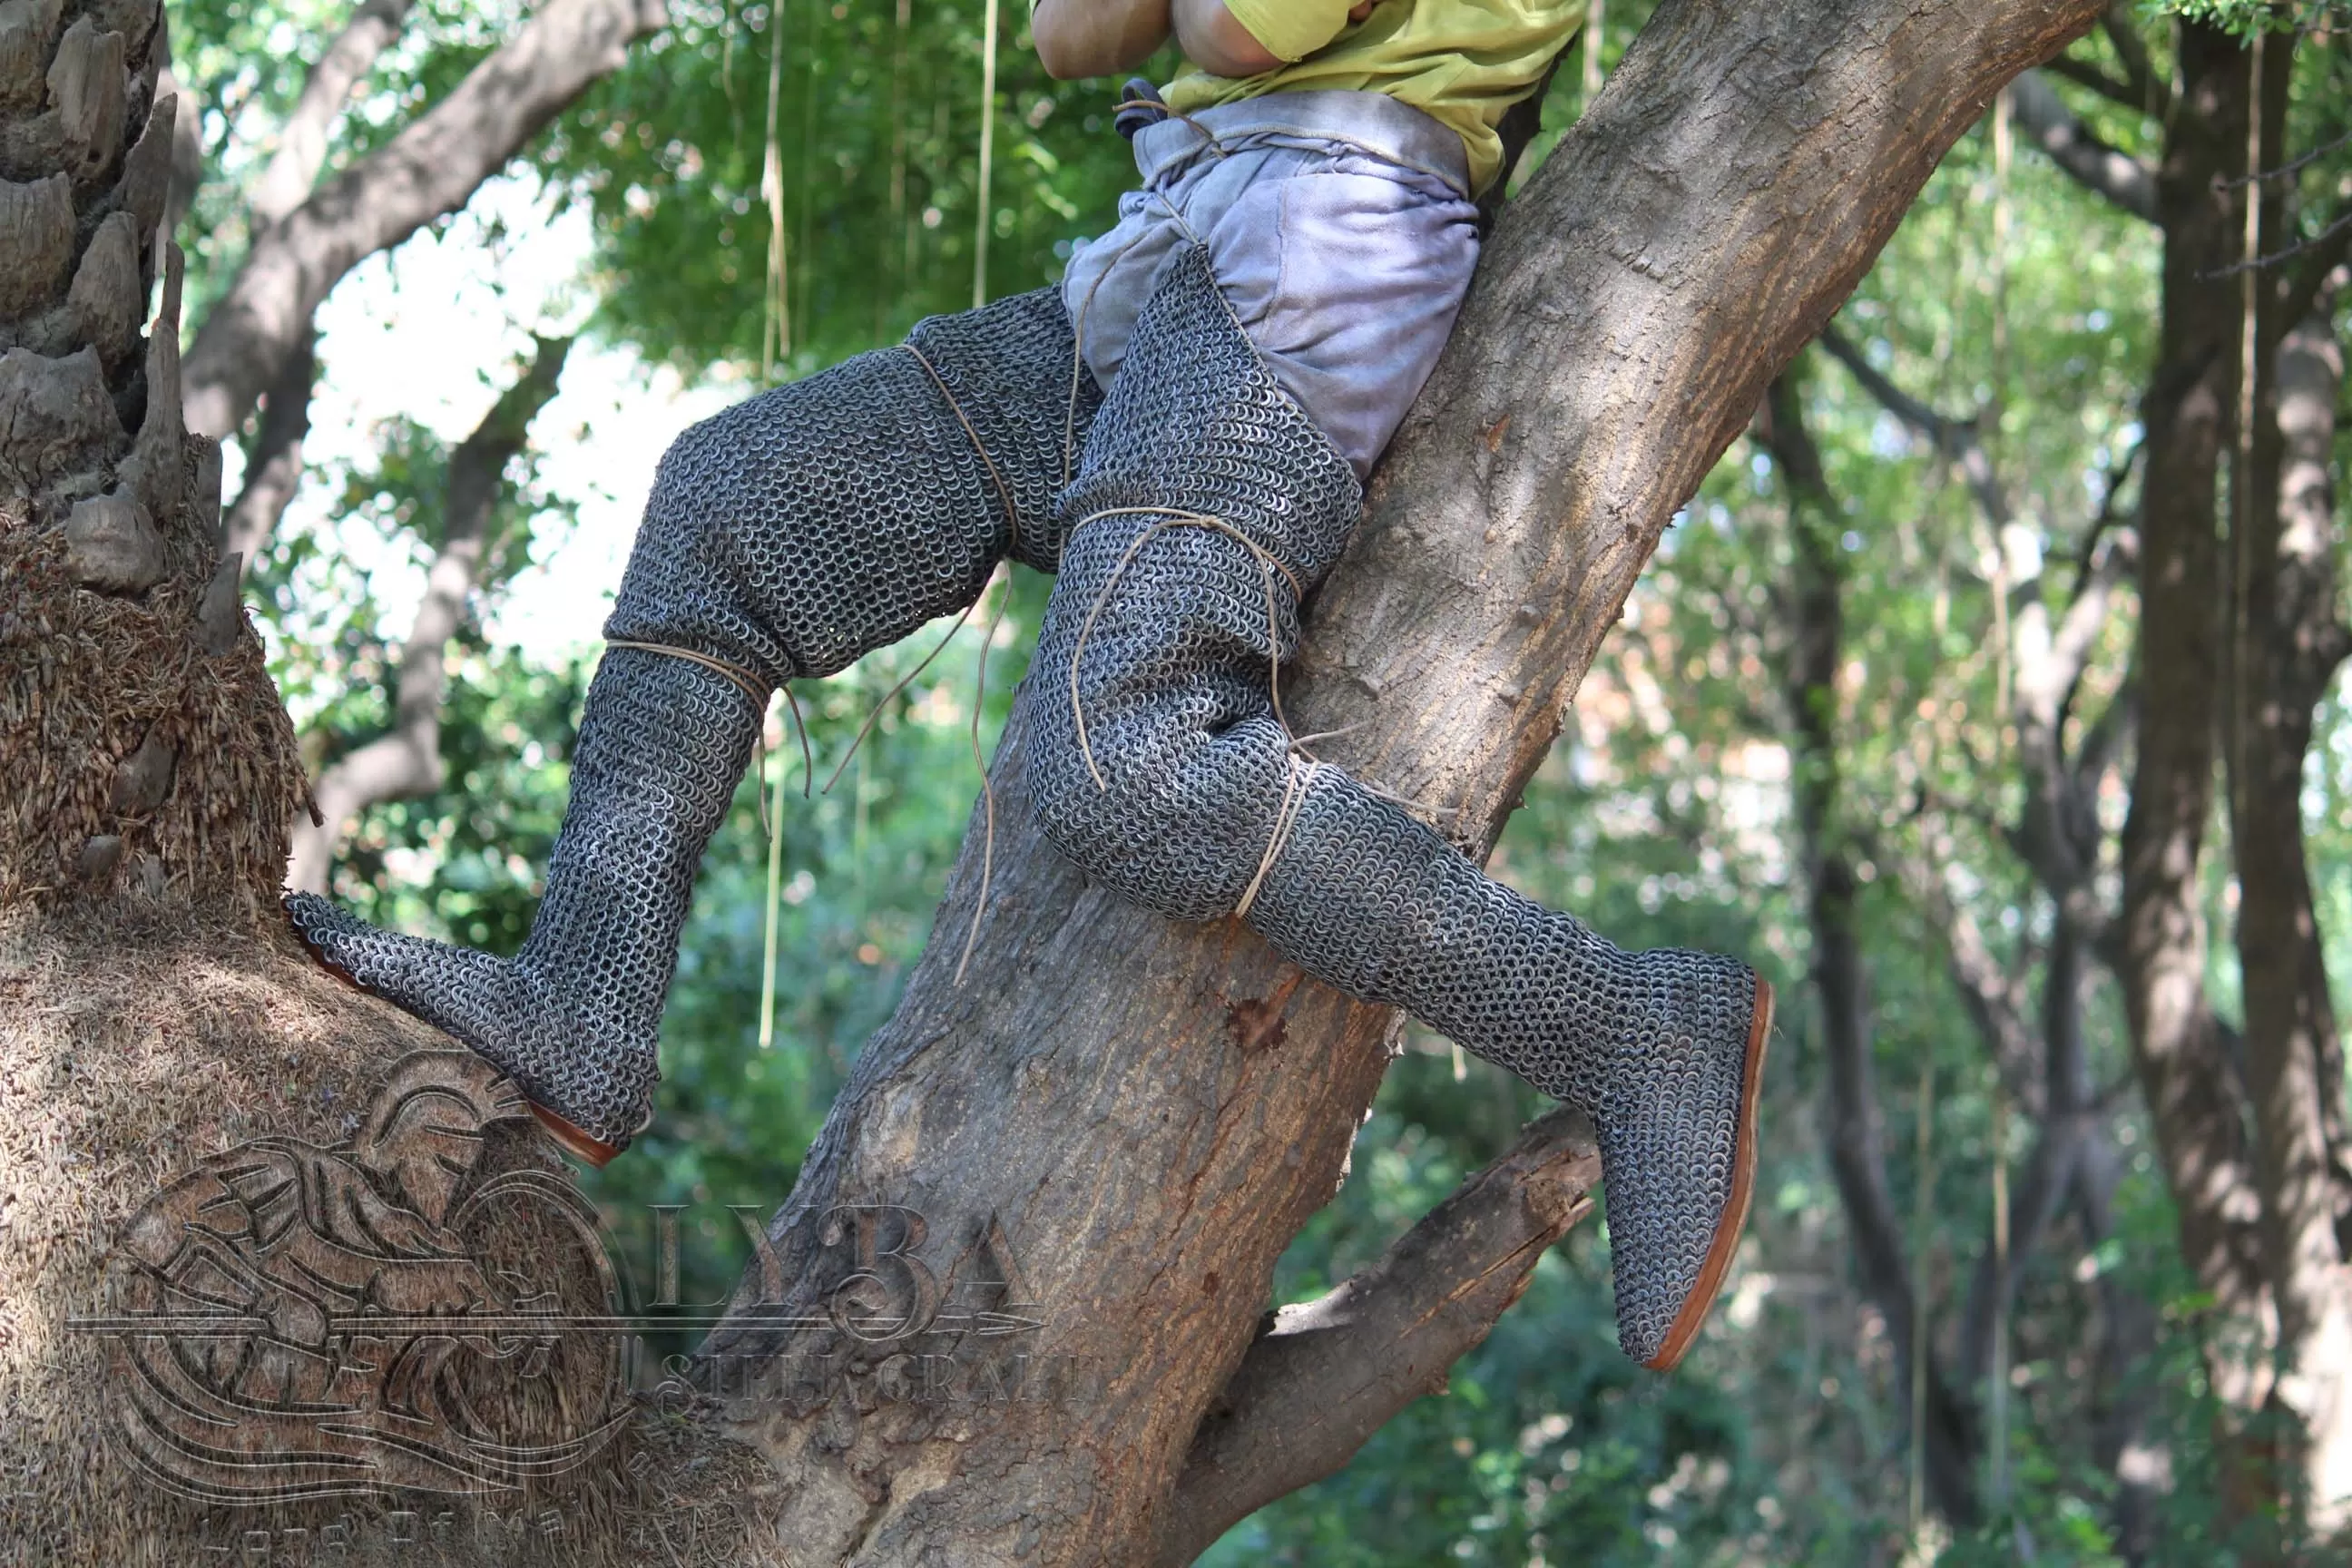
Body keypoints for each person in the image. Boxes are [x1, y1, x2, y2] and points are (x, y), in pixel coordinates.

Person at [287, 0, 1773, 1372]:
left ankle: (1632, 1024)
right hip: (1184, 235)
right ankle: (580, 1003)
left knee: (1125, 758)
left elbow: (1247, 26)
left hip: (1322, 238)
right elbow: (1075, 34)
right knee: (736, 499)